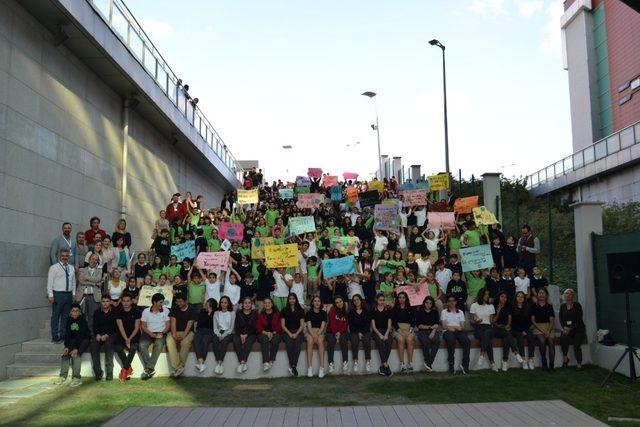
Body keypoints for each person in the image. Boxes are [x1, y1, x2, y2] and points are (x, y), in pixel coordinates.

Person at [53, 304, 90, 387]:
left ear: (80, 312)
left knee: (76, 355)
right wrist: (67, 346)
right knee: (65, 355)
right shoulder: (69, 320)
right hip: (73, 340)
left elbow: (81, 335)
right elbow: (67, 335)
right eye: (73, 311)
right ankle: (62, 376)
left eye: (77, 311)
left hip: (84, 340)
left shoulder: (82, 320)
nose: (75, 313)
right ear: (70, 312)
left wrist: (76, 348)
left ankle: (76, 378)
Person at [47, 248, 76, 342]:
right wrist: (50, 294)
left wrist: (74, 293)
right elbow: (49, 282)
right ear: (59, 256)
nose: (65, 257)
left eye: (66, 256)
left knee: (66, 316)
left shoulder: (71, 267)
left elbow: (73, 282)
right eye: (63, 256)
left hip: (68, 294)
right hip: (58, 294)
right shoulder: (54, 267)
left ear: (69, 257)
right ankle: (55, 335)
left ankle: (63, 334)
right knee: (56, 315)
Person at [139, 293, 170, 380]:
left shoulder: (166, 310)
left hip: (161, 332)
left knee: (159, 344)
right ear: (154, 302)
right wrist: (151, 334)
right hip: (148, 333)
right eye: (160, 302)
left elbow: (168, 325)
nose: (162, 304)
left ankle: (149, 368)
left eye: (163, 302)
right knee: (141, 345)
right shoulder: (146, 311)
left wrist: (162, 333)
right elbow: (143, 326)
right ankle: (151, 368)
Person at [166, 293, 196, 377]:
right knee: (169, 341)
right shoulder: (174, 309)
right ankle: (177, 367)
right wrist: (174, 334)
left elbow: (189, 325)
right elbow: (173, 323)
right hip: (175, 331)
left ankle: (180, 366)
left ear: (186, 301)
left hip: (188, 332)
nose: (178, 304)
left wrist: (183, 336)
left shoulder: (192, 310)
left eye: (180, 302)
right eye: (177, 302)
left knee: (185, 342)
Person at [114, 292, 141, 382]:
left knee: (133, 348)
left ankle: (124, 370)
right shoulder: (118, 312)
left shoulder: (136, 311)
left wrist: (130, 339)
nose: (126, 303)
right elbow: (120, 328)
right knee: (118, 347)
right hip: (123, 335)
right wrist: (126, 339)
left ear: (131, 302)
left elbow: (137, 327)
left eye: (128, 301)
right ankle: (129, 368)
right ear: (121, 302)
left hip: (134, 335)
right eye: (124, 301)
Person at [441, 294, 470, 375]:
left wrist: (453, 327)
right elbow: (444, 325)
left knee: (467, 341)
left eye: (453, 301)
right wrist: (453, 327)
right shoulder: (444, 312)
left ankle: (465, 364)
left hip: (458, 331)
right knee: (451, 340)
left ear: (456, 302)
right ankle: (451, 365)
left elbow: (462, 327)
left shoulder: (460, 312)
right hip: (447, 331)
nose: (451, 303)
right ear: (447, 303)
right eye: (449, 301)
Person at [491, 291, 521, 371]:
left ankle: (505, 361)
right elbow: (493, 321)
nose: (504, 298)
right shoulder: (493, 306)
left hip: (505, 327)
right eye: (502, 296)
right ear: (498, 297)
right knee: (507, 335)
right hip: (496, 328)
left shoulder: (509, 306)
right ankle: (515, 352)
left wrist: (508, 325)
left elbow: (509, 317)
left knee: (507, 338)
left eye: (505, 297)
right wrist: (498, 310)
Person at [90, 294, 117, 381]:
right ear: (101, 302)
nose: (105, 303)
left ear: (110, 302)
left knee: (109, 346)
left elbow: (115, 327)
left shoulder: (114, 312)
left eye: (107, 301)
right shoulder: (97, 312)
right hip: (99, 334)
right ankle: (98, 373)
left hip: (111, 334)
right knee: (93, 346)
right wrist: (97, 334)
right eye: (103, 301)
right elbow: (94, 326)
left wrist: (106, 335)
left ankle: (109, 374)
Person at [470, 288, 497, 371]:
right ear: (481, 295)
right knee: (487, 339)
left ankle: (481, 356)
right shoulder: (474, 305)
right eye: (485, 294)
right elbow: (471, 320)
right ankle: (492, 363)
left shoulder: (491, 306)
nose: (487, 296)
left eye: (488, 294)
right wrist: (476, 321)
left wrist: (498, 311)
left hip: (489, 327)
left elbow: (491, 322)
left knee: (487, 332)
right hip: (478, 327)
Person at [77, 254, 104, 335]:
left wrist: (86, 278)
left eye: (96, 260)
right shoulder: (81, 270)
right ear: (89, 260)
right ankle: (81, 334)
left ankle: (91, 335)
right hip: (82, 296)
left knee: (92, 316)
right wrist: (94, 284)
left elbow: (98, 279)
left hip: (94, 297)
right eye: (92, 259)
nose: (94, 261)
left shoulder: (99, 271)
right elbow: (81, 281)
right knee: (81, 316)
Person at [559, 289, 585, 369]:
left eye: (570, 294)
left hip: (578, 329)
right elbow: (561, 319)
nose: (568, 295)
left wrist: (570, 328)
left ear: (573, 296)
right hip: (567, 329)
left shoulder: (577, 305)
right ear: (564, 295)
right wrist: (564, 328)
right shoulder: (562, 306)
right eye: (566, 293)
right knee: (563, 338)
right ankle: (565, 359)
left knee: (577, 345)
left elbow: (579, 319)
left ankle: (579, 363)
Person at [281, 293, 305, 377]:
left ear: (296, 300)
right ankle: (293, 366)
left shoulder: (301, 310)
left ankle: (293, 366)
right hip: (287, 332)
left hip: (298, 331)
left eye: (293, 299)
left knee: (297, 345)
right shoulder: (284, 310)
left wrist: (296, 334)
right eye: (290, 299)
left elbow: (302, 325)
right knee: (289, 345)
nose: (292, 300)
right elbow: (283, 325)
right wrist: (290, 333)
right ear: (288, 300)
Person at [531, 288, 556, 371]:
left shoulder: (549, 306)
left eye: (543, 293)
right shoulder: (534, 306)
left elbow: (552, 321)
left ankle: (551, 365)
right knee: (542, 341)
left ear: (546, 295)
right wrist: (542, 331)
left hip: (549, 326)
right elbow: (533, 321)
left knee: (551, 342)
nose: (541, 295)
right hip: (538, 327)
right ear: (537, 295)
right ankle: (544, 363)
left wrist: (548, 331)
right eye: (540, 293)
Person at [511, 291, 536, 370]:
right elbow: (512, 322)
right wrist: (521, 331)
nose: (520, 298)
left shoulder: (528, 307)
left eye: (522, 296)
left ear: (524, 298)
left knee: (531, 338)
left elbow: (529, 321)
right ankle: (523, 360)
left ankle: (531, 359)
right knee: (520, 338)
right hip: (516, 329)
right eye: (518, 296)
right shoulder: (512, 308)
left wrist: (525, 330)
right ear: (516, 298)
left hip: (526, 328)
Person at [256, 297, 282, 372]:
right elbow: (258, 327)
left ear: (272, 304)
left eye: (269, 303)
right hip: (263, 333)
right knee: (264, 340)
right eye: (265, 303)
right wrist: (266, 333)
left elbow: (280, 326)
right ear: (263, 305)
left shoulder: (277, 314)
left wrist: (273, 332)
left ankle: (271, 360)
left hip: (275, 333)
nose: (267, 304)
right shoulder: (261, 314)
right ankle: (265, 362)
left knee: (275, 339)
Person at [233, 297, 258, 374]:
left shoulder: (255, 313)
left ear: (251, 304)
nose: (247, 305)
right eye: (245, 303)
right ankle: (242, 362)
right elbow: (236, 327)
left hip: (251, 333)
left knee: (249, 342)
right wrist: (241, 335)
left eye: (249, 303)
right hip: (240, 333)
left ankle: (242, 362)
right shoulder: (238, 313)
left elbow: (255, 327)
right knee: (236, 341)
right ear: (242, 304)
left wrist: (246, 335)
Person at [326, 296, 350, 375]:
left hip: (342, 331)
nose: (339, 303)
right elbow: (332, 324)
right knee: (331, 341)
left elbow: (345, 324)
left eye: (340, 301)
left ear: (343, 301)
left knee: (343, 340)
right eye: (337, 302)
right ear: (334, 304)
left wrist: (340, 332)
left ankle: (345, 362)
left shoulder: (345, 310)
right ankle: (330, 363)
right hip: (331, 331)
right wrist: (336, 333)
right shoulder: (332, 311)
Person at [212, 296, 236, 375]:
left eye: (225, 302)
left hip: (229, 333)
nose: (223, 304)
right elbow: (215, 327)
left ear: (228, 303)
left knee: (225, 341)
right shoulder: (216, 313)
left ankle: (220, 362)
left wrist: (223, 335)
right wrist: (219, 335)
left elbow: (231, 328)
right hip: (218, 332)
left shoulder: (232, 313)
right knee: (215, 341)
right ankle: (218, 362)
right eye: (222, 302)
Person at [416, 296, 441, 372]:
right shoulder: (420, 312)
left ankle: (429, 362)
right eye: (427, 303)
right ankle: (428, 361)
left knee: (437, 340)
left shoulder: (435, 312)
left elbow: (436, 324)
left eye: (430, 303)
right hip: (422, 331)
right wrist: (430, 327)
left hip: (433, 331)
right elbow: (419, 325)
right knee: (424, 340)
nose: (428, 305)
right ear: (424, 303)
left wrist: (433, 331)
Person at [392, 291, 415, 373]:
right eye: (400, 297)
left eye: (403, 297)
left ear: (406, 299)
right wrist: (400, 331)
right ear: (398, 299)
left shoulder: (410, 308)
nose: (401, 299)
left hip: (409, 329)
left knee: (409, 339)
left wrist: (409, 331)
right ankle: (402, 364)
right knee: (401, 339)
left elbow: (413, 321)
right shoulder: (395, 309)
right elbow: (393, 322)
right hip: (397, 329)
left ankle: (410, 363)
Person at [371, 293, 393, 377]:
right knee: (380, 343)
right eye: (380, 300)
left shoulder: (388, 310)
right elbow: (373, 327)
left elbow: (389, 325)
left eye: (383, 300)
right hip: (377, 331)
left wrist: (386, 334)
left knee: (389, 341)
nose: (382, 302)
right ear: (376, 300)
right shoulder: (373, 310)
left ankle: (383, 365)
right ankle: (386, 365)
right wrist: (380, 335)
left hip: (386, 330)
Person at [348, 294, 372, 374]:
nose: (356, 301)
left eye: (357, 299)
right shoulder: (351, 312)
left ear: (361, 300)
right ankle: (355, 362)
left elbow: (368, 324)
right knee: (354, 340)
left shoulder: (367, 311)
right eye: (354, 300)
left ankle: (368, 361)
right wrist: (358, 332)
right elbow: (351, 325)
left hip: (365, 331)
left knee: (367, 340)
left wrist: (362, 332)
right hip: (354, 331)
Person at [305, 296, 328, 378]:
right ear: (312, 303)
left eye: (318, 301)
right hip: (310, 331)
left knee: (320, 342)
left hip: (320, 331)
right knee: (310, 342)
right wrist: (313, 335)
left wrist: (317, 334)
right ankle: (309, 368)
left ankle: (321, 367)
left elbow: (322, 327)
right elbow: (309, 327)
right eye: (315, 301)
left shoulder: (324, 313)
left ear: (321, 303)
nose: (317, 302)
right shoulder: (308, 313)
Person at [194, 298, 217, 373]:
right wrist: (208, 315)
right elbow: (201, 323)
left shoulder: (215, 313)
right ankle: (201, 362)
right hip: (200, 330)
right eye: (206, 304)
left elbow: (211, 325)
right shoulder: (202, 311)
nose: (205, 305)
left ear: (211, 306)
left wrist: (210, 314)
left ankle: (201, 362)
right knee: (197, 340)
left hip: (209, 331)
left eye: (207, 305)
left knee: (205, 340)